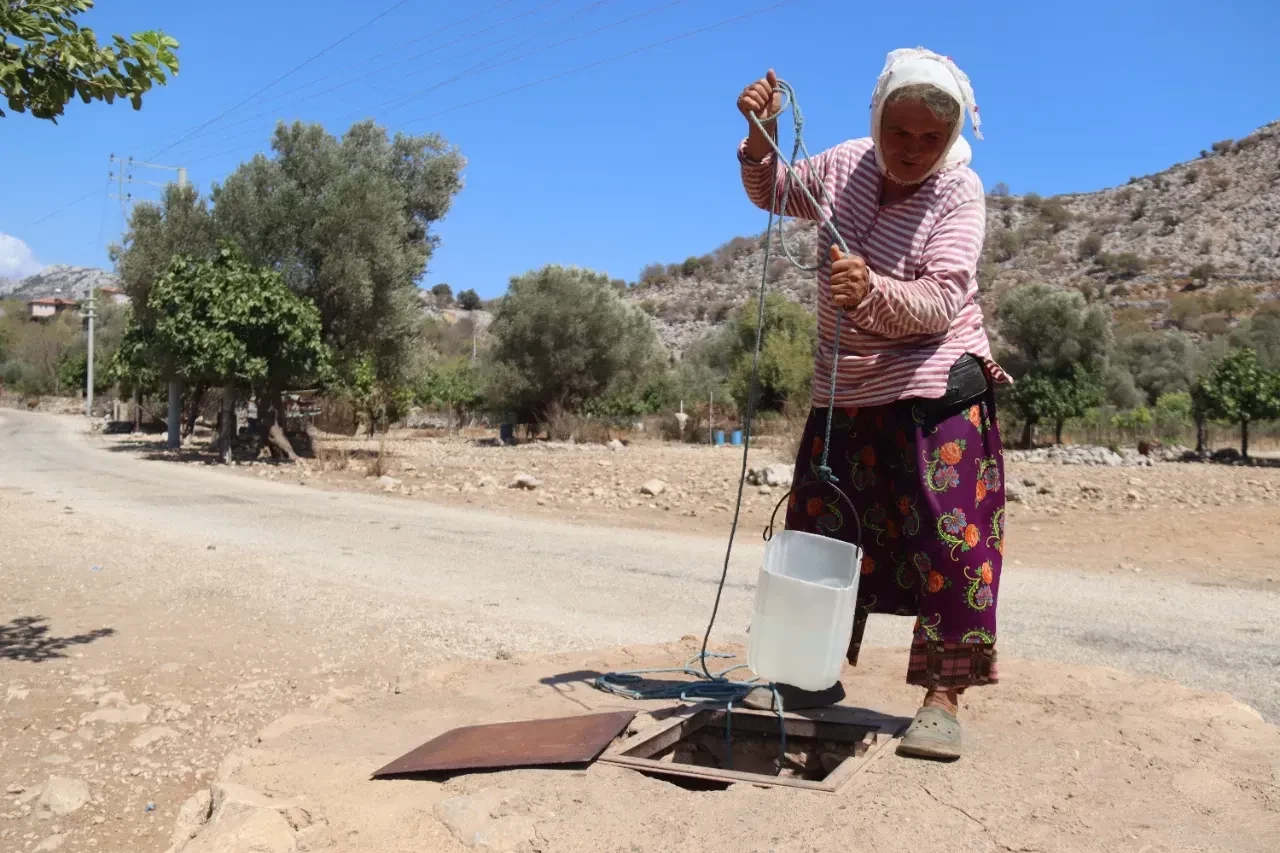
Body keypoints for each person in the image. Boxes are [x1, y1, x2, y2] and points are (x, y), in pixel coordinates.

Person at [735, 47, 1012, 760]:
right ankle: (805, 672)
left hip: (933, 388)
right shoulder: (845, 164)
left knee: (951, 542)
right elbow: (776, 192)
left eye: (930, 139)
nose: (913, 150)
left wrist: (876, 294)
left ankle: (942, 699)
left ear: (951, 140)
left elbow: (944, 297)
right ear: (877, 118)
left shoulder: (960, 192)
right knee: (821, 530)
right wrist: (758, 138)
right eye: (901, 132)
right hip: (847, 389)